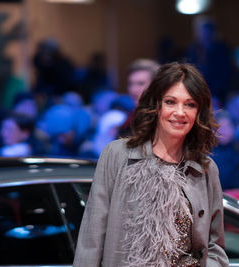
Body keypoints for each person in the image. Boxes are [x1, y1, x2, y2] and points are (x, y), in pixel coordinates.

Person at [73, 62, 228, 266]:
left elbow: (215, 244)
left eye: (190, 104)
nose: (180, 112)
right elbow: (91, 240)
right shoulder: (117, 155)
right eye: (171, 102)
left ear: (198, 112)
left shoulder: (205, 168)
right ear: (156, 105)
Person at [117, 58, 160, 137]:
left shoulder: (162, 120)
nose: (133, 90)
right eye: (130, 84)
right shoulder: (131, 117)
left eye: (140, 83)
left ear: (156, 85)